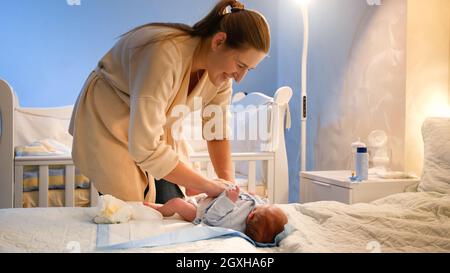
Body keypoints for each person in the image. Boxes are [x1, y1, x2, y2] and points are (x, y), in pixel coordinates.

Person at [68, 0, 271, 204]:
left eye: (248, 69)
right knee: (133, 210)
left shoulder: (221, 76)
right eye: (240, 65)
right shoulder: (164, 54)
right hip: (109, 116)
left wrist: (229, 189)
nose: (240, 78)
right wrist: (207, 185)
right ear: (218, 42)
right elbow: (145, 147)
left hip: (155, 126)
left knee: (174, 203)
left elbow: (216, 132)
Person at [145, 186, 288, 244]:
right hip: (208, 200)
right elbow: (260, 202)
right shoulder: (257, 209)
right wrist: (252, 195)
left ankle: (159, 211)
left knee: (177, 204)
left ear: (251, 216)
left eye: (264, 206)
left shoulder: (233, 222)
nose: (262, 203)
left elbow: (211, 218)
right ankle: (162, 207)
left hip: (199, 212)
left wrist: (228, 200)